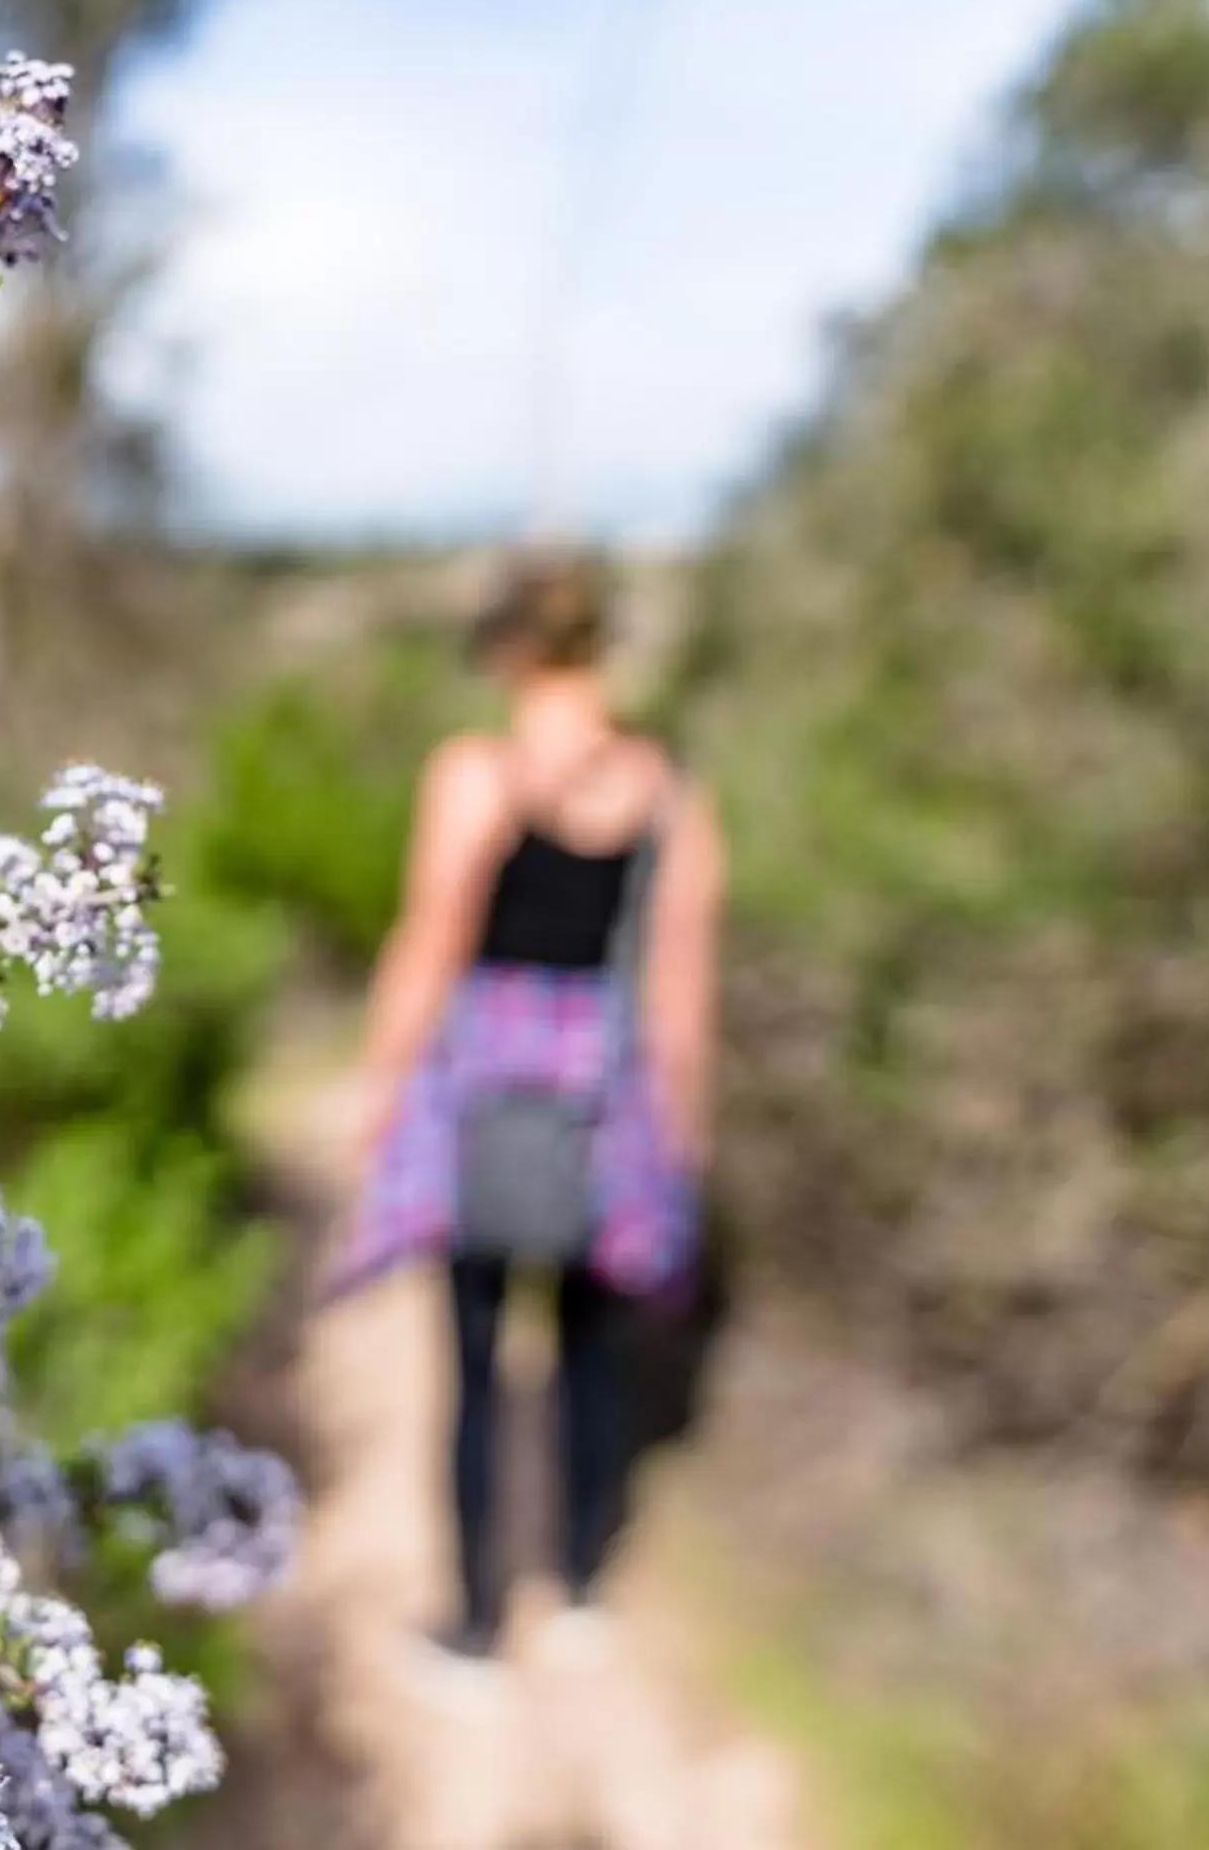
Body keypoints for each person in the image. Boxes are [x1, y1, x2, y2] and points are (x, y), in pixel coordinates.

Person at [335, 553, 724, 1662]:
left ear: (507, 648)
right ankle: (582, 1586)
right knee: (592, 1351)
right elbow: (682, 981)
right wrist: (683, 1122)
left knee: (474, 1365)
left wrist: (380, 1089)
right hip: (609, 1088)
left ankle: (472, 1619)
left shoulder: (477, 774)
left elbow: (428, 945)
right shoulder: (671, 788)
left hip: (485, 1085)